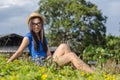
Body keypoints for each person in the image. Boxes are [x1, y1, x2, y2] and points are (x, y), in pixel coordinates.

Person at [7, 12, 94, 73]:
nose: (36, 26)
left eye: (38, 23)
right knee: (71, 55)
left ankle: (76, 71)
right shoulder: (28, 37)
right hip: (40, 64)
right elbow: (19, 52)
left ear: (41, 25)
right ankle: (94, 74)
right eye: (34, 24)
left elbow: (49, 54)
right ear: (31, 25)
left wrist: (50, 59)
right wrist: (7, 62)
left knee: (64, 46)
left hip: (48, 62)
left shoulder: (43, 38)